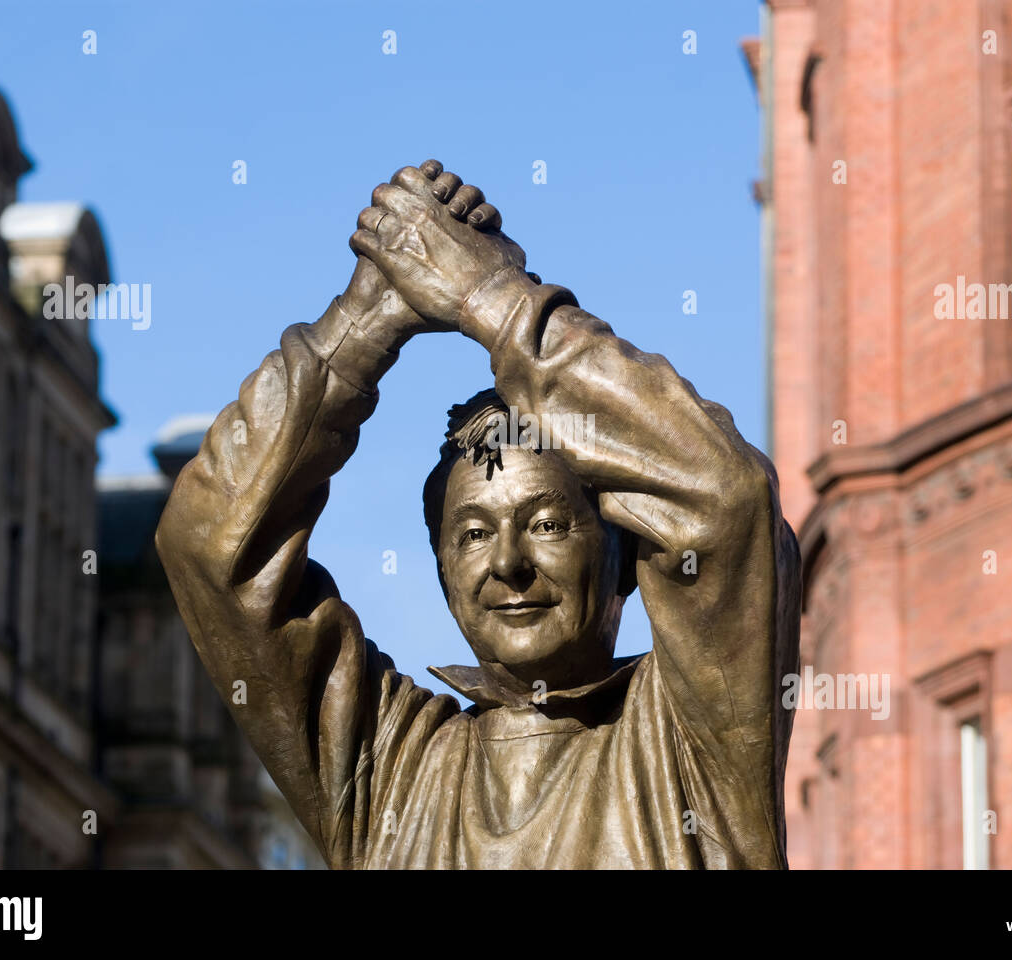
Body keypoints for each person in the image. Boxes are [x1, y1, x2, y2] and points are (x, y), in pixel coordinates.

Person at [155, 160, 801, 868]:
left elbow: (724, 499)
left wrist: (488, 296)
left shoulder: (695, 740)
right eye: (472, 534)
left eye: (548, 524)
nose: (508, 565)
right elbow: (210, 546)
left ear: (625, 562)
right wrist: (368, 321)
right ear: (439, 570)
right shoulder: (391, 774)